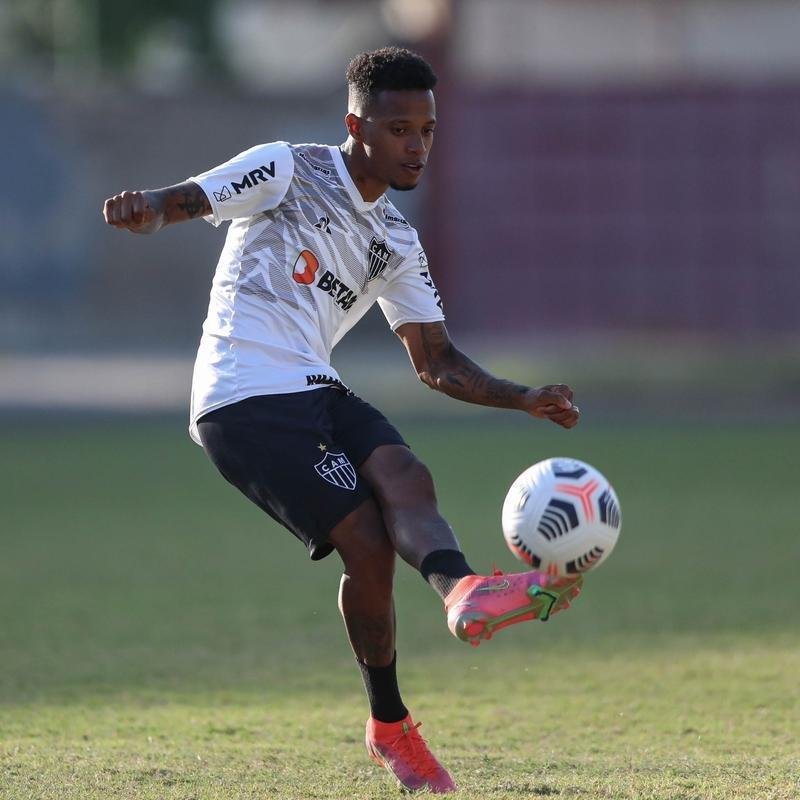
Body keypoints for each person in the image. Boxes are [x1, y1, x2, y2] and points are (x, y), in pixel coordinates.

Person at [102, 46, 583, 794]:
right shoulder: (288, 168)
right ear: (355, 125)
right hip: (240, 395)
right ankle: (391, 729)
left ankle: (462, 592)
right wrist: (148, 210)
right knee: (367, 541)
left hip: (311, 383)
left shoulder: (397, 241)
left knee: (405, 472)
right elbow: (185, 199)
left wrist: (522, 397)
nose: (416, 145)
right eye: (398, 129)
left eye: (427, 129)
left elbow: (436, 361)